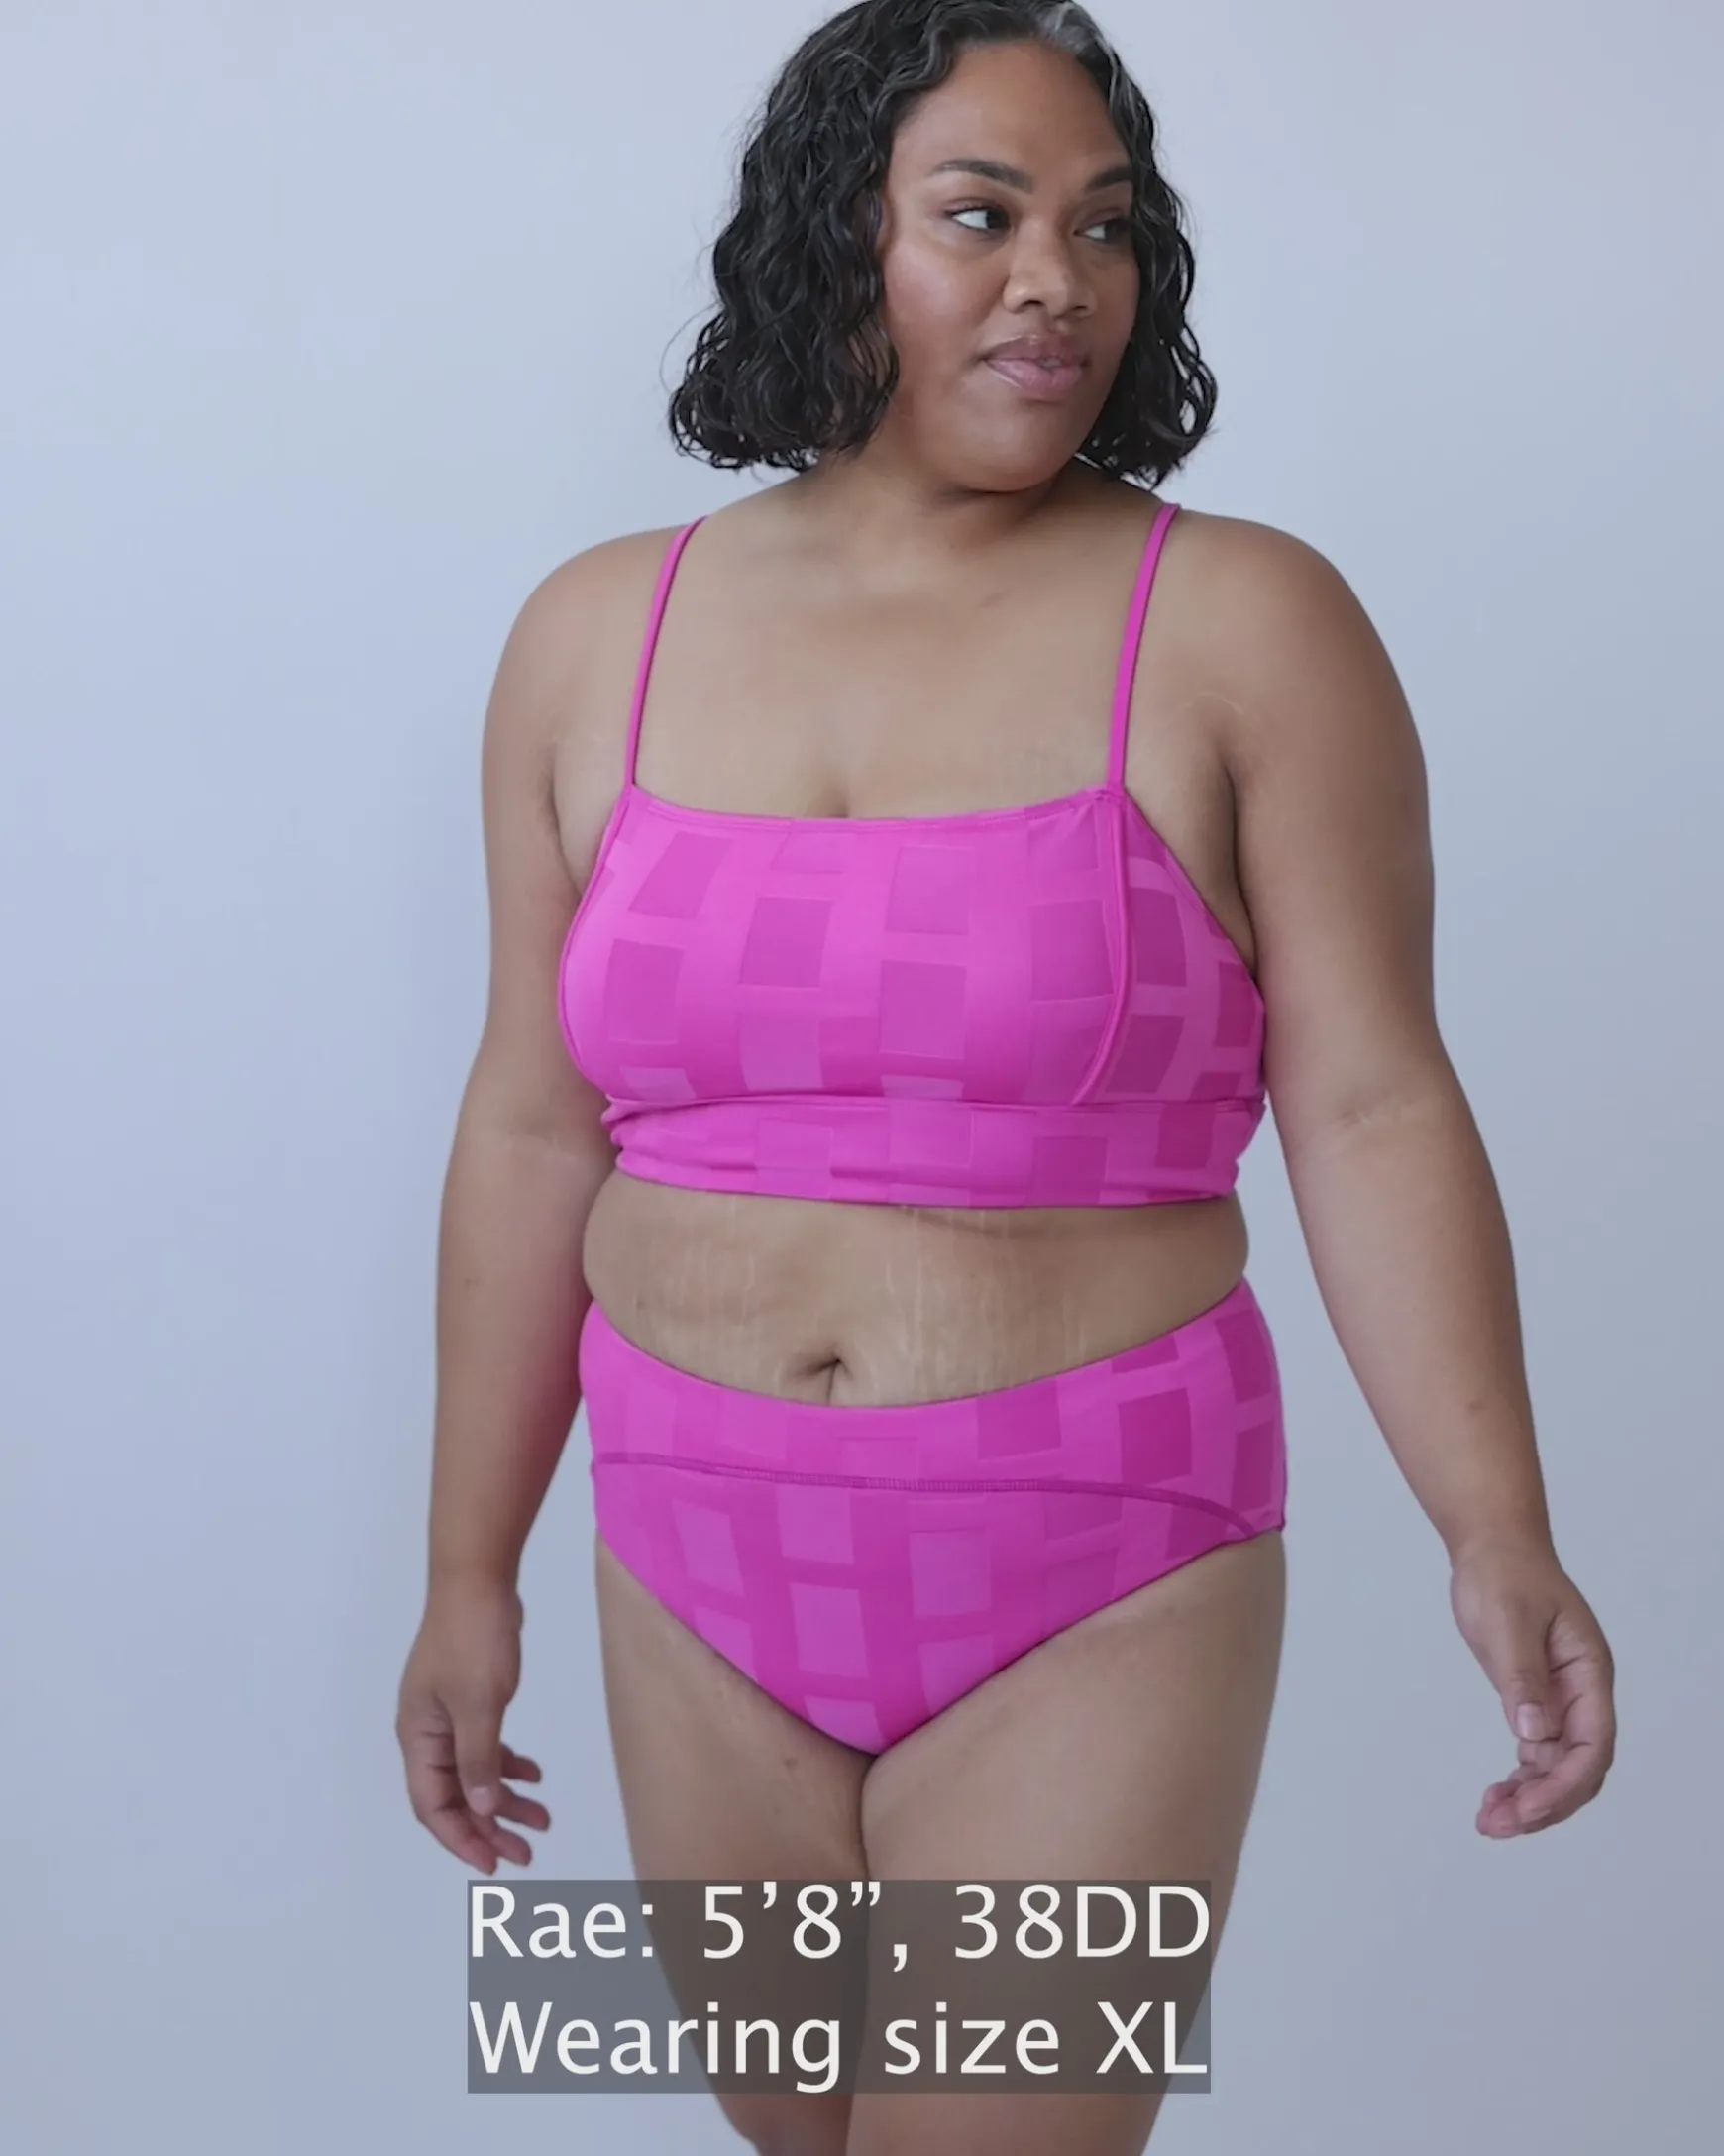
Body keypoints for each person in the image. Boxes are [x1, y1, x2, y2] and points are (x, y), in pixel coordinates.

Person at [397, 3, 1617, 2147]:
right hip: (682, 1547)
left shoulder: (1252, 623)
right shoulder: (591, 635)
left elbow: (1372, 1103)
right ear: (834, 240)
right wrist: (465, 1573)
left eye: (1107, 226)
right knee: (789, 2136)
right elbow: (526, 1122)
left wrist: (1495, 1527)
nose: (1062, 279)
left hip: (1104, 1557)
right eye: (984, 216)